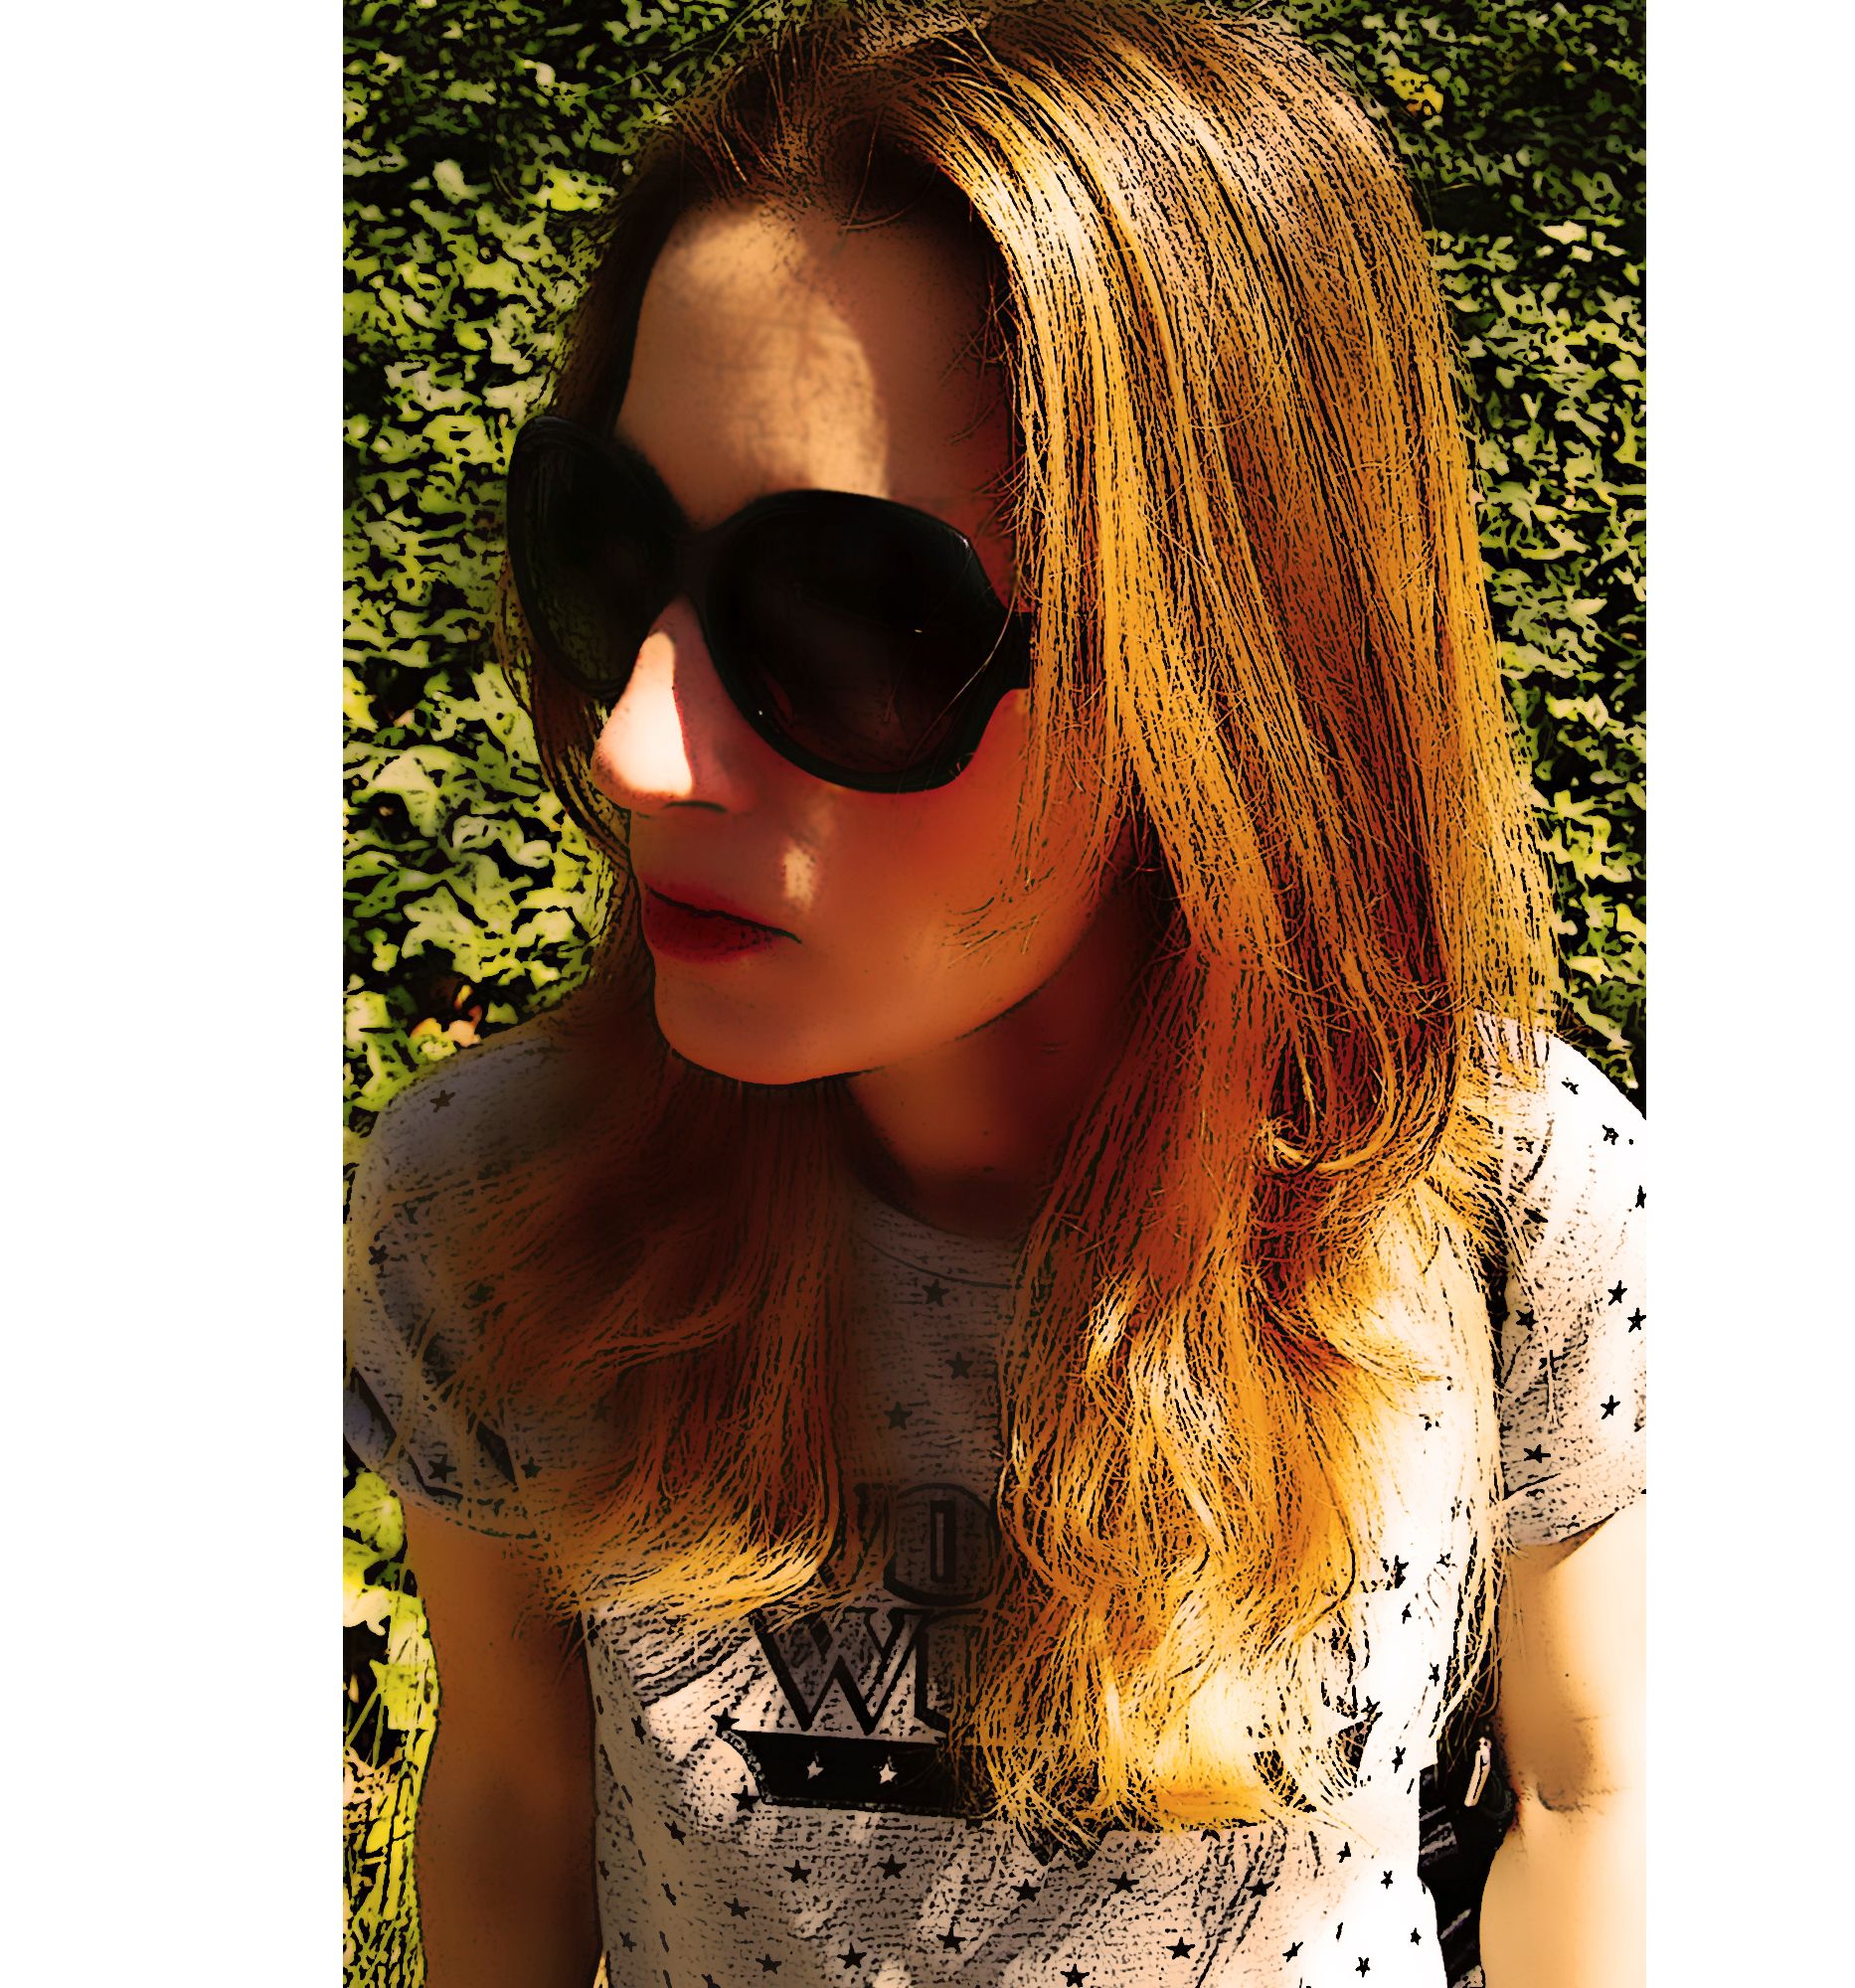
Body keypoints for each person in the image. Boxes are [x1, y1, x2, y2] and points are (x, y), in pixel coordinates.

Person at [342, 3, 1646, 1983]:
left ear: (1233, 670)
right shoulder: (508, 1208)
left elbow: (1593, 1789)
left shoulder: (1497, 1196)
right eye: (607, 554)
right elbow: (518, 1795)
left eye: (842, 623)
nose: (634, 746)